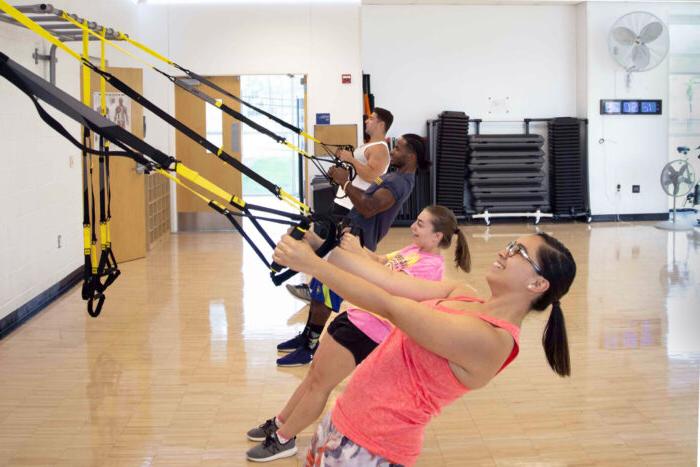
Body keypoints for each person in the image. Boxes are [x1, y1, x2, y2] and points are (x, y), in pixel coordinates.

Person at [272, 231, 576, 466]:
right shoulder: (465, 295)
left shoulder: (491, 341)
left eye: (518, 252)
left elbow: (389, 306)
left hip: (372, 447)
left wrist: (310, 264)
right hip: (344, 420)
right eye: (510, 245)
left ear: (538, 284)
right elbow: (388, 281)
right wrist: (322, 247)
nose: (504, 252)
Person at [246, 206, 470, 462]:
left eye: (420, 224)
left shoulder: (430, 267)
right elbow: (379, 262)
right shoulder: (414, 251)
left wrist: (342, 255)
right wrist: (324, 243)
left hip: (369, 331)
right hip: (354, 316)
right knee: (313, 377)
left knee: (321, 384)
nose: (413, 227)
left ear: (437, 236)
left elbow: (384, 281)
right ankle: (280, 422)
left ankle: (284, 439)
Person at [276, 133, 430, 366]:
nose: (393, 152)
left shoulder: (400, 182)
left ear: (412, 155)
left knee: (326, 293)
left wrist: (344, 182)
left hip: (358, 243)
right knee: (319, 289)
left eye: (398, 149)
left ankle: (309, 347)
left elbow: (368, 208)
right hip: (350, 235)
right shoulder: (394, 176)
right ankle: (307, 338)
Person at [286, 108, 393, 303]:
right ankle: (314, 289)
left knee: (333, 251)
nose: (367, 121)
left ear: (381, 124)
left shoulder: (380, 148)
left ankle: (318, 291)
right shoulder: (369, 145)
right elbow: (357, 174)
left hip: (352, 207)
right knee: (326, 247)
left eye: (371, 118)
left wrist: (350, 158)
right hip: (343, 202)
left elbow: (371, 175)